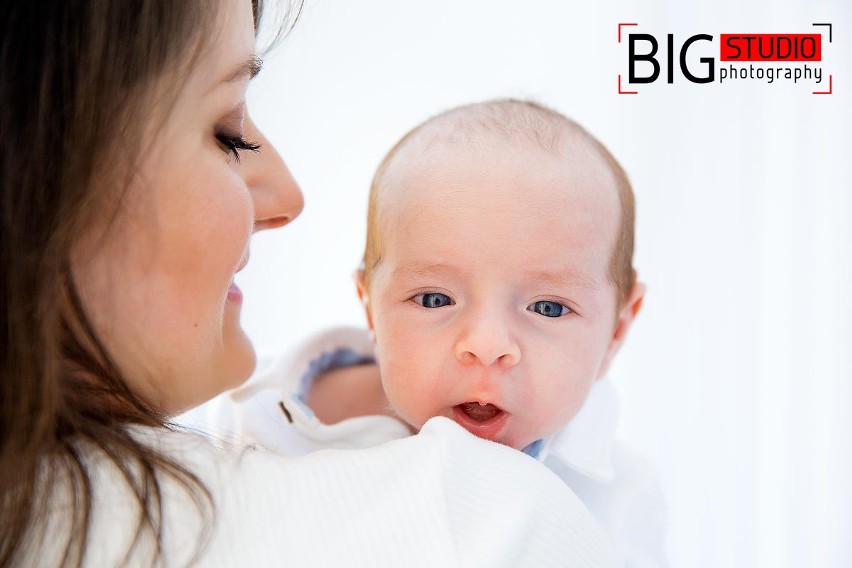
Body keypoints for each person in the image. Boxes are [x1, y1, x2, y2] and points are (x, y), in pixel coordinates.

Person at [0, 1, 621, 566]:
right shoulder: (485, 521)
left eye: (548, 306)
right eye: (227, 132)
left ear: (620, 328)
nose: (287, 197)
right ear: (34, 182)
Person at [222, 100, 667, 566]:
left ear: (616, 331)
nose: (488, 345)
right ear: (371, 309)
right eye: (436, 299)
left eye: (549, 308)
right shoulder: (246, 423)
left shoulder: (619, 498)